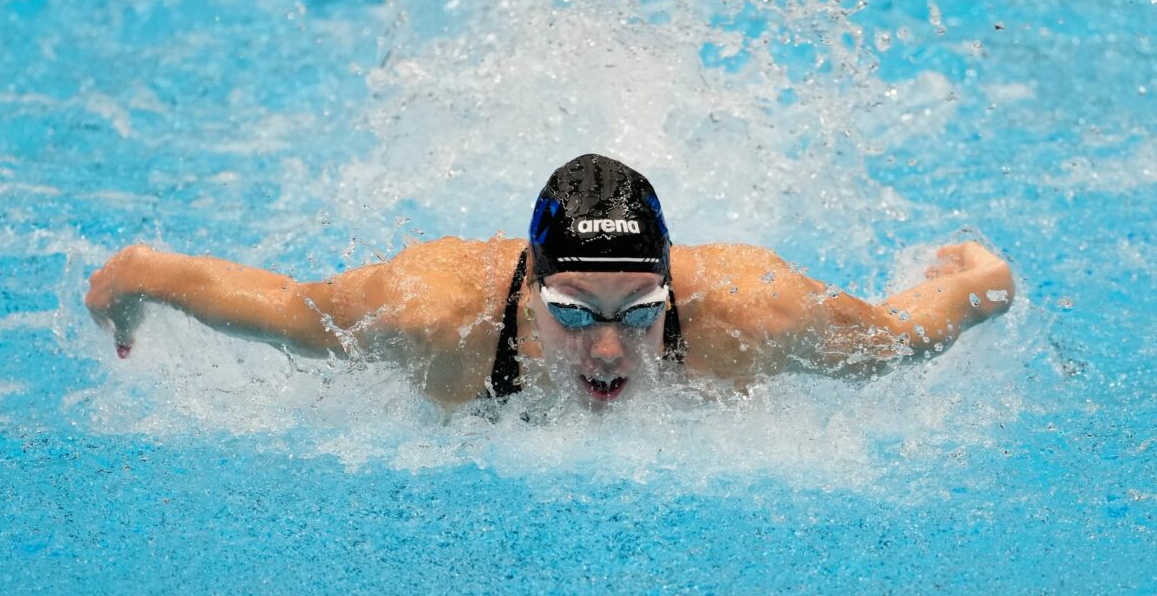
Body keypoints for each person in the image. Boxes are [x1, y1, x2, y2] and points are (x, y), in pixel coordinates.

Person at [85, 154, 1015, 409]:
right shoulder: (436, 314)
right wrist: (137, 275)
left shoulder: (750, 310)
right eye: (574, 311)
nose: (608, 347)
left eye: (638, 314)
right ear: (529, 290)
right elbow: (287, 306)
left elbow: (899, 337)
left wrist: (988, 279)